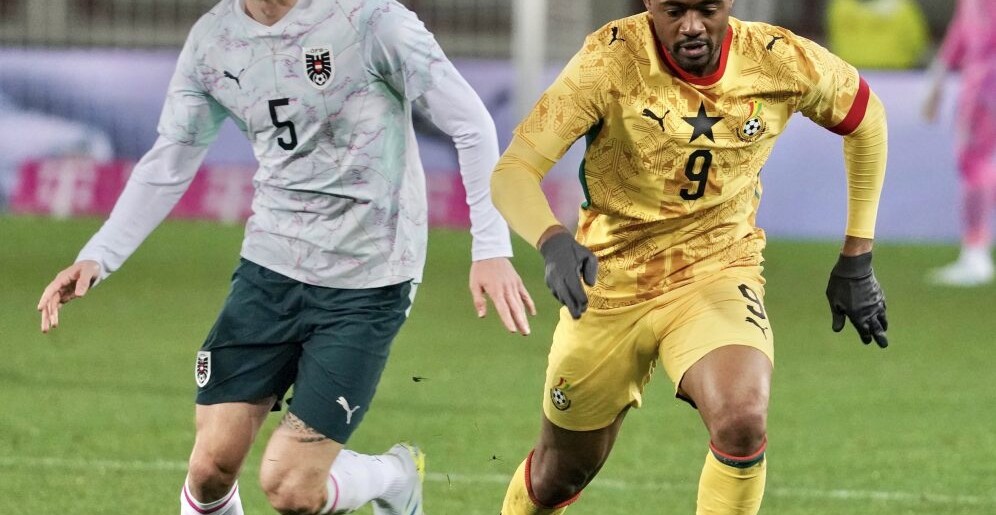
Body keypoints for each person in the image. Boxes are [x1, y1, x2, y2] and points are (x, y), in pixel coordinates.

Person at [35, 0, 535, 514]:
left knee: (291, 489)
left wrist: (490, 247)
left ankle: (394, 476)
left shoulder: (371, 20)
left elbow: (472, 123)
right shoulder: (214, 41)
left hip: (369, 278)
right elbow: (169, 161)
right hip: (270, 268)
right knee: (209, 470)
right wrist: (98, 255)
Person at [490, 0, 889, 513]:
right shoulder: (609, 61)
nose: (693, 26)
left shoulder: (778, 58)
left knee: (742, 419)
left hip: (717, 268)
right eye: (675, 11)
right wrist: (552, 240)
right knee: (558, 477)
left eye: (707, 9)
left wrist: (857, 255)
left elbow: (867, 117)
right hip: (610, 282)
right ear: (649, 5)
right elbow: (514, 170)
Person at [923, 0, 996, 286]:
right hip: (981, 81)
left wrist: (939, 79)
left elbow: (972, 32)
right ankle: (975, 251)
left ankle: (976, 254)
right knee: (977, 165)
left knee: (973, 163)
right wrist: (939, 76)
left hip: (985, 84)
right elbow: (962, 29)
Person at [826, 0, 930, 69]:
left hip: (850, 75)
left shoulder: (839, 6)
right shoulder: (902, 7)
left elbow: (832, 38)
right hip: (894, 75)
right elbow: (917, 44)